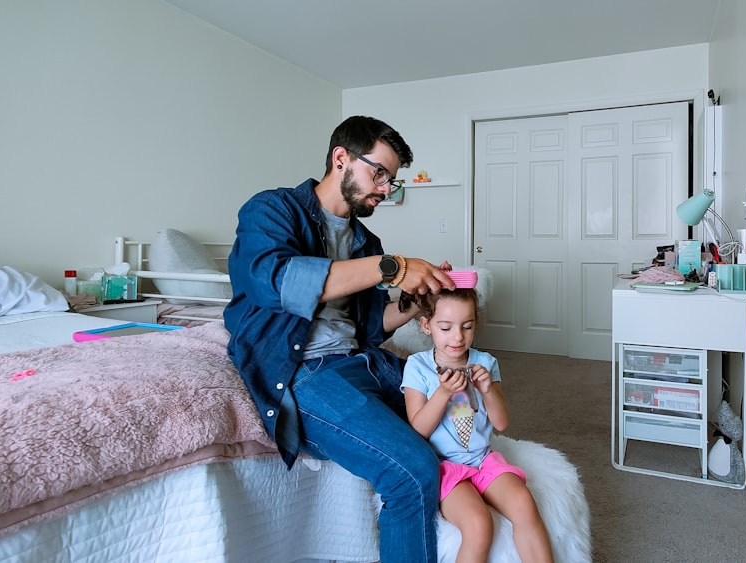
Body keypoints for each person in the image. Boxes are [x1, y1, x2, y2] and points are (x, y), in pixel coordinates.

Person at [224, 115, 456, 563]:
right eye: (380, 172)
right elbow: (276, 281)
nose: (387, 189)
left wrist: (414, 303)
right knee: (412, 472)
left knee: (458, 423)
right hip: (306, 373)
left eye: (393, 179)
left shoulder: (365, 241)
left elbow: (369, 326)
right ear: (341, 159)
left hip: (365, 361)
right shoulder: (272, 209)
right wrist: (393, 267)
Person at [401, 288, 554, 563]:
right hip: (444, 467)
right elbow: (418, 430)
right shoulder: (417, 366)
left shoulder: (485, 362)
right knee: (478, 525)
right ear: (427, 325)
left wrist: (487, 390)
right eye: (446, 328)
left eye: (467, 326)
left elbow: (501, 423)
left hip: (483, 460)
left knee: (524, 505)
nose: (457, 337)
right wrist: (443, 393)